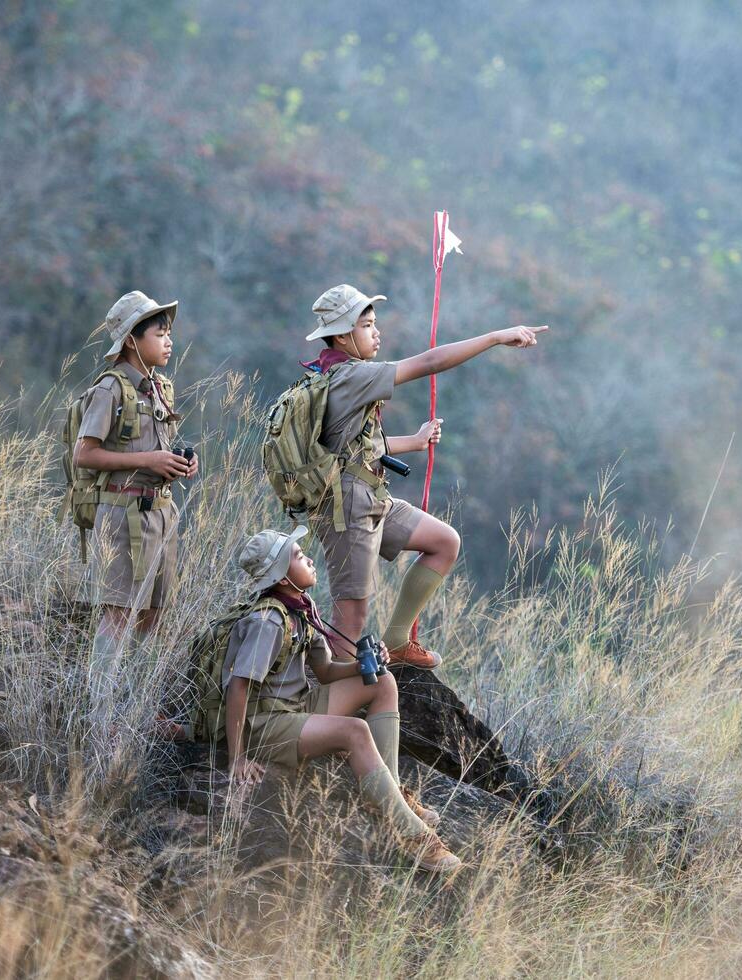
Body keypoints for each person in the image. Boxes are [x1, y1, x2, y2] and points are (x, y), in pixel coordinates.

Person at [301, 283, 547, 668]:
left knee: (443, 542)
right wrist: (496, 337)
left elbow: (350, 446)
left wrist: (412, 442)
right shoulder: (349, 376)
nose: (376, 332)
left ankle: (397, 641)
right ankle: (329, 701)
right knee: (351, 617)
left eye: (374, 323)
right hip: (345, 505)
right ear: (344, 335)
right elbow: (429, 362)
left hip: (368, 494)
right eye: (367, 326)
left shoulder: (338, 373)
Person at [214, 526, 461, 873]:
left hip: (298, 707)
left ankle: (387, 793)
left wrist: (364, 664)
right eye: (298, 556)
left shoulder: (301, 607)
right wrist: (237, 757)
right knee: (355, 731)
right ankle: (413, 836)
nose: (308, 558)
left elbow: (327, 671)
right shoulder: (268, 622)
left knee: (382, 682)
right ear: (282, 577)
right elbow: (238, 687)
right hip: (267, 725)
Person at [73, 290, 200, 763]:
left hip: (158, 514)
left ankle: (138, 710)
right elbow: (84, 454)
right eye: (159, 332)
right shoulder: (110, 388)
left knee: (153, 616)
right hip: (121, 514)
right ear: (131, 340)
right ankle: (100, 721)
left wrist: (179, 464)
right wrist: (147, 459)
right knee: (117, 616)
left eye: (168, 331)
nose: (168, 340)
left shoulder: (159, 388)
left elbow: (157, 446)